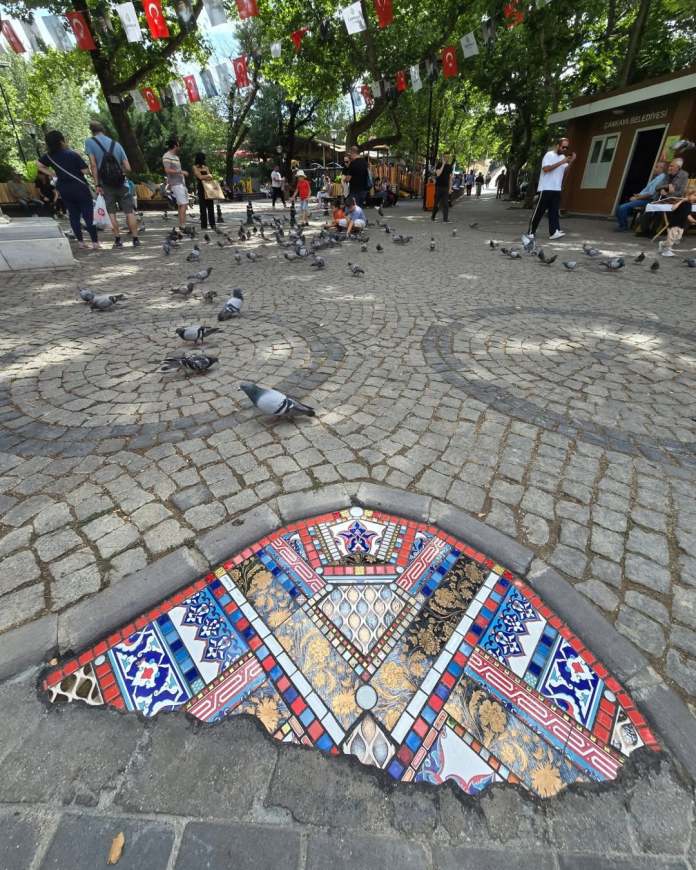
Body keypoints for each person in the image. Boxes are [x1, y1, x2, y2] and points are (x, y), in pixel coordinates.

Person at [37, 130, 100, 250]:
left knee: (73, 215)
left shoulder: (49, 156)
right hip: (79, 187)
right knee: (88, 214)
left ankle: (81, 242)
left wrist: (53, 173)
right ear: (61, 141)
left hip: (64, 188)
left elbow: (38, 165)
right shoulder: (72, 154)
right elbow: (85, 171)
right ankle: (95, 242)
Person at [85, 120, 140, 248]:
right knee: (129, 211)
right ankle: (135, 239)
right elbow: (128, 167)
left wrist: (97, 184)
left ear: (91, 131)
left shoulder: (90, 142)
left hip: (106, 184)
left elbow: (93, 165)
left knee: (111, 212)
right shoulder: (116, 144)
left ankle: (118, 240)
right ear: (103, 130)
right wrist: (121, 175)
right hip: (122, 183)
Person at [528, 137, 576, 240]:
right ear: (557, 146)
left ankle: (554, 232)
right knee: (539, 212)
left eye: (567, 148)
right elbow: (546, 169)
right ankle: (531, 232)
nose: (565, 149)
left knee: (554, 212)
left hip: (557, 189)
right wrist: (562, 162)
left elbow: (565, 172)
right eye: (563, 147)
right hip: (546, 188)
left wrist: (571, 162)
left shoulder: (562, 157)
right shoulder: (549, 155)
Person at [637, 158, 689, 237]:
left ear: (678, 168)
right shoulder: (667, 174)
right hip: (660, 198)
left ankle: (653, 231)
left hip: (673, 200)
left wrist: (668, 193)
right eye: (669, 166)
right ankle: (645, 230)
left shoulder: (684, 175)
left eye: (672, 166)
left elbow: (680, 192)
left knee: (659, 212)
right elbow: (657, 187)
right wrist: (665, 187)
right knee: (646, 208)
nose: (669, 168)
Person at [615, 161, 667, 231]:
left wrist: (637, 198)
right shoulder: (657, 178)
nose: (654, 168)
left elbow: (650, 194)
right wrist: (638, 195)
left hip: (648, 200)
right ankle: (624, 225)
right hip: (643, 198)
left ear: (661, 169)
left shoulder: (661, 178)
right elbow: (648, 191)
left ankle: (624, 226)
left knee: (622, 208)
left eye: (656, 167)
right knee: (622, 207)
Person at [658, 185, 696, 256]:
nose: (695, 197)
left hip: (682, 224)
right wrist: (681, 201)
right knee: (671, 239)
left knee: (677, 238)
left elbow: (688, 215)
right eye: (694, 195)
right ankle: (666, 251)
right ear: (688, 195)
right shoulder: (680, 201)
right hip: (675, 223)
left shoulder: (690, 204)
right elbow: (673, 208)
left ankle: (662, 244)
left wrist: (694, 221)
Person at [162, 136, 190, 232]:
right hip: (176, 183)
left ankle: (182, 224)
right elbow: (167, 170)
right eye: (179, 145)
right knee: (183, 204)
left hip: (181, 183)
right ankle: (182, 226)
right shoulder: (167, 156)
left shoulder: (176, 157)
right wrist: (181, 172)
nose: (180, 147)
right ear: (175, 145)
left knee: (182, 205)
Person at [192, 152, 216, 230]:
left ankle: (213, 224)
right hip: (201, 188)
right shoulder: (195, 167)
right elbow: (199, 177)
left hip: (208, 187)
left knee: (210, 206)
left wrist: (206, 176)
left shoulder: (206, 167)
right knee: (202, 207)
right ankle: (204, 225)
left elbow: (211, 177)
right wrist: (207, 176)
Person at [431, 152, 453, 222]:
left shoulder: (450, 166)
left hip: (446, 188)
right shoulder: (439, 165)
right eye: (445, 157)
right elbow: (438, 174)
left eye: (448, 157)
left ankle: (445, 219)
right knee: (436, 203)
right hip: (439, 187)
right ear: (442, 157)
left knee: (446, 204)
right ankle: (433, 216)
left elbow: (450, 178)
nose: (446, 158)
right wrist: (443, 164)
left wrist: (450, 188)